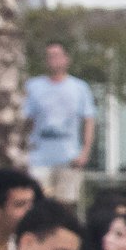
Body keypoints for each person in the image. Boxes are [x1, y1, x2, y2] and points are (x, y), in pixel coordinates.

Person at [20, 40, 97, 188]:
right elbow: (26, 120)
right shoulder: (33, 86)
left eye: (56, 55)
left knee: (66, 205)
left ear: (66, 58)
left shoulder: (79, 88)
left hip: (69, 157)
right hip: (38, 159)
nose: (52, 60)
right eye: (49, 56)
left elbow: (89, 120)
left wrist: (84, 153)